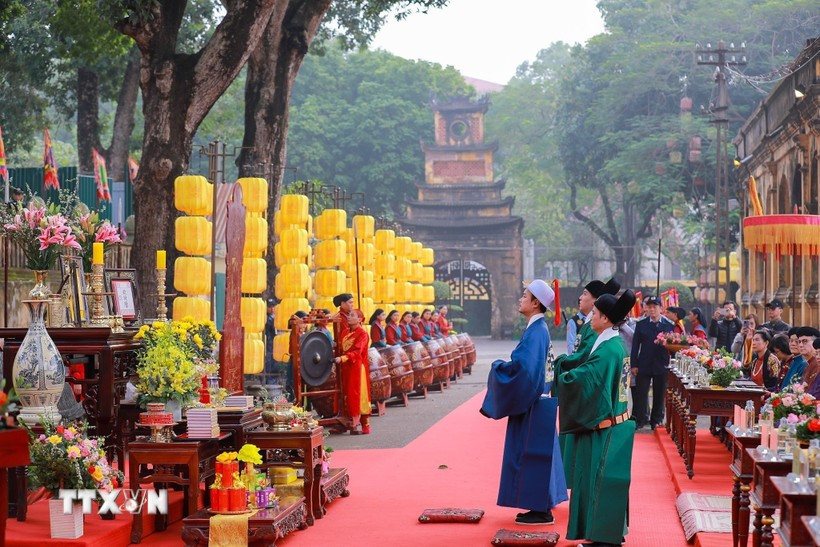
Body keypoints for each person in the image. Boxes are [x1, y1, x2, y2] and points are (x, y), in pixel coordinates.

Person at [480, 279, 567, 525]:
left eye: (524, 295)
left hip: (532, 404)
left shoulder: (536, 331)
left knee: (531, 456)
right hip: (538, 402)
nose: (520, 298)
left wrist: (499, 369)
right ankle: (540, 506)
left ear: (536, 303)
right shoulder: (538, 329)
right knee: (537, 456)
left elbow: (526, 371)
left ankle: (541, 510)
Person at [555, 289, 637, 546]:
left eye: (595, 313)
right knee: (606, 482)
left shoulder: (609, 349)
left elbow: (589, 379)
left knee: (599, 482)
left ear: (605, 319)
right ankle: (607, 534)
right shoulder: (613, 343)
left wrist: (563, 377)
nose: (591, 317)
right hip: (616, 421)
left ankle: (604, 539)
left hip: (606, 427)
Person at [630, 295, 675, 430]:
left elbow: (673, 346)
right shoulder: (641, 324)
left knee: (659, 393)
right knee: (641, 393)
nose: (652, 310)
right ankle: (640, 419)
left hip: (661, 364)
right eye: (649, 307)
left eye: (655, 307)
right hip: (644, 363)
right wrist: (634, 364)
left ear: (661, 309)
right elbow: (635, 346)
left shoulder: (668, 325)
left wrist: (673, 364)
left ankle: (657, 420)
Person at [334, 309, 372, 434]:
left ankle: (365, 423)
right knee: (344, 393)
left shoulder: (363, 334)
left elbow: (357, 351)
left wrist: (344, 358)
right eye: (349, 315)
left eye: (352, 315)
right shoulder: (344, 332)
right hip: (345, 366)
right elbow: (340, 347)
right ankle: (345, 422)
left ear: (360, 319)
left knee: (358, 394)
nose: (349, 317)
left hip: (356, 367)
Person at [264, 298, 277, 374]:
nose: (272, 309)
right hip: (268, 342)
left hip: (274, 343)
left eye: (273, 306)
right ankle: (268, 379)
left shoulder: (276, 318)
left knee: (274, 361)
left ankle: (272, 378)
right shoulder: (265, 319)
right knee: (268, 361)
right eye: (269, 307)